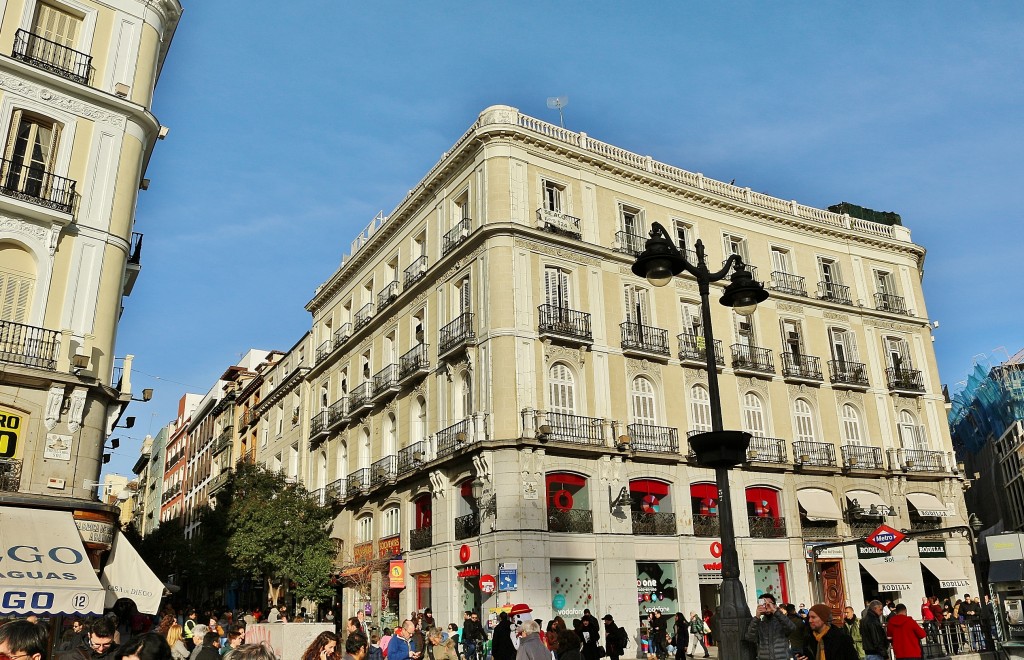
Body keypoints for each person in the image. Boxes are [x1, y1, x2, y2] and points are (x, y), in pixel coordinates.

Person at [743, 593, 795, 660]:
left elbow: (792, 628)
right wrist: (757, 617)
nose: (767, 606)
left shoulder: (782, 622)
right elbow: (750, 638)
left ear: (775, 605)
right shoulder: (759, 623)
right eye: (764, 604)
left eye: (770, 603)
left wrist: (775, 611)